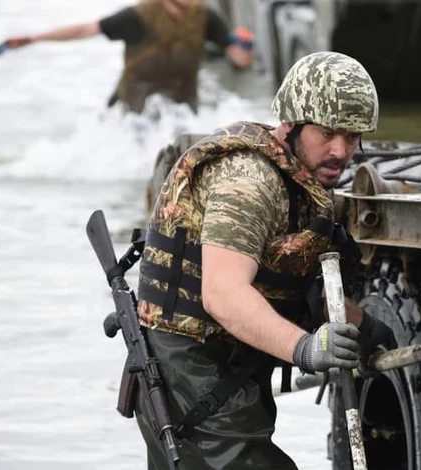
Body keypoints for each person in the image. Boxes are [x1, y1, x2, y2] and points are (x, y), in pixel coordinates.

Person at [131, 51, 396, 469]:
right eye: (327, 133)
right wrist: (306, 348)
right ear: (290, 124)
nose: (341, 151)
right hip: (190, 368)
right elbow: (224, 293)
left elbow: (280, 278)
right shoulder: (249, 182)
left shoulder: (295, 176)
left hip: (222, 367)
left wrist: (361, 327)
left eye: (353, 135)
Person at [0, 0, 254, 114]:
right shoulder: (138, 15)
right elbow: (86, 29)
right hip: (137, 100)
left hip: (182, 101)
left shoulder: (206, 16)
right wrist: (34, 39)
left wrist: (245, 47)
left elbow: (240, 60)